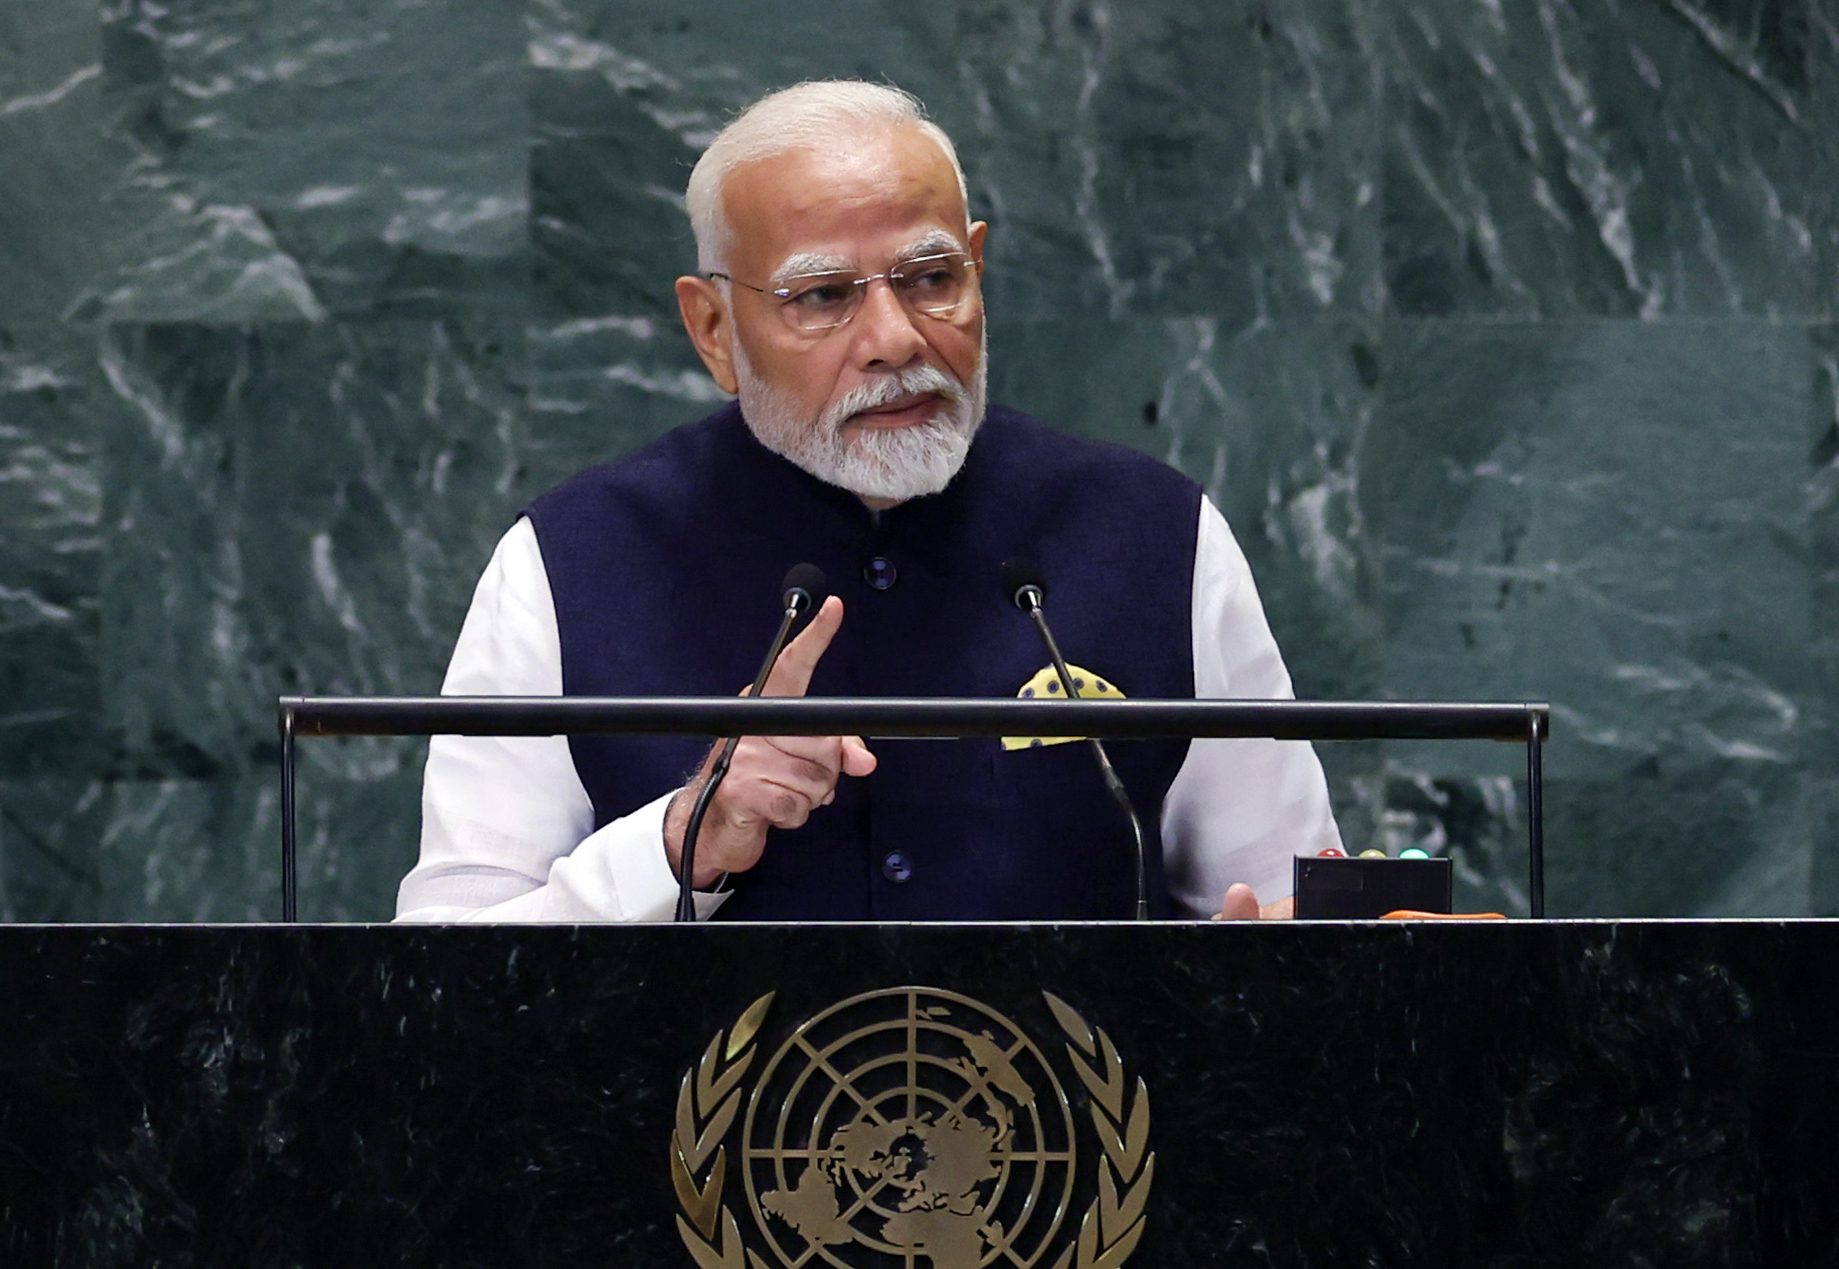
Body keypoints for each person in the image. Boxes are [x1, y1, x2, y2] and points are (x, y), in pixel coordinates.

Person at [395, 81, 1341, 924]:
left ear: (978, 268)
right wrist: (678, 842)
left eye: (931, 279)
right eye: (823, 296)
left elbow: (1281, 901)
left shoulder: (1155, 535)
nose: (893, 338)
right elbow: (438, 981)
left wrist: (1276, 964)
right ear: (714, 328)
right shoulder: (569, 562)